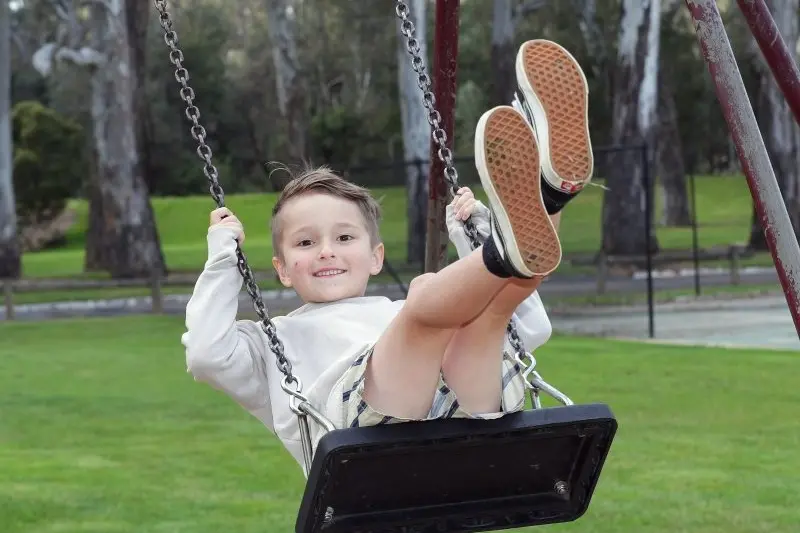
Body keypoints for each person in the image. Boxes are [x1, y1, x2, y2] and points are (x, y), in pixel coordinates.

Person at [181, 39, 593, 472]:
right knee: (427, 302)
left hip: (468, 413)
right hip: (362, 444)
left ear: (375, 256)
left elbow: (530, 328)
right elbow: (207, 353)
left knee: (485, 316)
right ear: (281, 269)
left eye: (344, 238)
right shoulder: (269, 343)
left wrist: (470, 239)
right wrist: (224, 259)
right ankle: (522, 228)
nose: (326, 252)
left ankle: (548, 198)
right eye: (305, 243)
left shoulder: (402, 311)